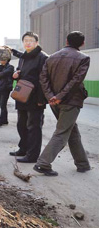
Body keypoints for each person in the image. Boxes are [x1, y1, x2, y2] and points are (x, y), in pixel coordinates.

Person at [33, 31, 91, 176]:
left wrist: (51, 97)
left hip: (54, 102)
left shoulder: (52, 57)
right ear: (82, 44)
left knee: (71, 129)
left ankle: (82, 164)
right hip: (70, 101)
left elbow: (43, 78)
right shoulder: (83, 58)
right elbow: (76, 81)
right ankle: (43, 163)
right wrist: (59, 96)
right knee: (62, 132)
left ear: (66, 41)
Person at [9, 32, 48, 163]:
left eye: (31, 40)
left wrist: (42, 99)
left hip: (36, 97)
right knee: (21, 124)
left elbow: (45, 80)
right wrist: (16, 74)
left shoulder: (43, 58)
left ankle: (32, 155)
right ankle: (23, 149)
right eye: (25, 40)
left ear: (36, 43)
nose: (28, 43)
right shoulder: (23, 57)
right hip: (22, 96)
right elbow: (21, 72)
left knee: (34, 127)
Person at [0, 59, 14, 128]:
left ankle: (0, 121)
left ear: (6, 60)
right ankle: (5, 120)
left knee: (2, 105)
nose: (0, 60)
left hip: (5, 89)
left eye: (2, 59)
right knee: (2, 106)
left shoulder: (10, 67)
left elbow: (3, 74)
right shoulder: (1, 68)